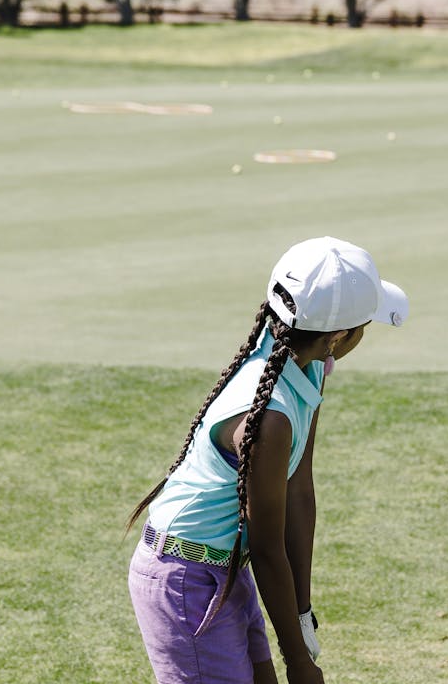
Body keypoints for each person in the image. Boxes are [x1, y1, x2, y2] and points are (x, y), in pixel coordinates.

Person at [126, 237, 409, 684]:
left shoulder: (309, 363)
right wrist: (298, 661)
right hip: (185, 580)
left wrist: (302, 612)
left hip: (225, 568)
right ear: (338, 336)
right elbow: (267, 547)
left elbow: (299, 488)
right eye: (363, 326)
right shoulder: (270, 421)